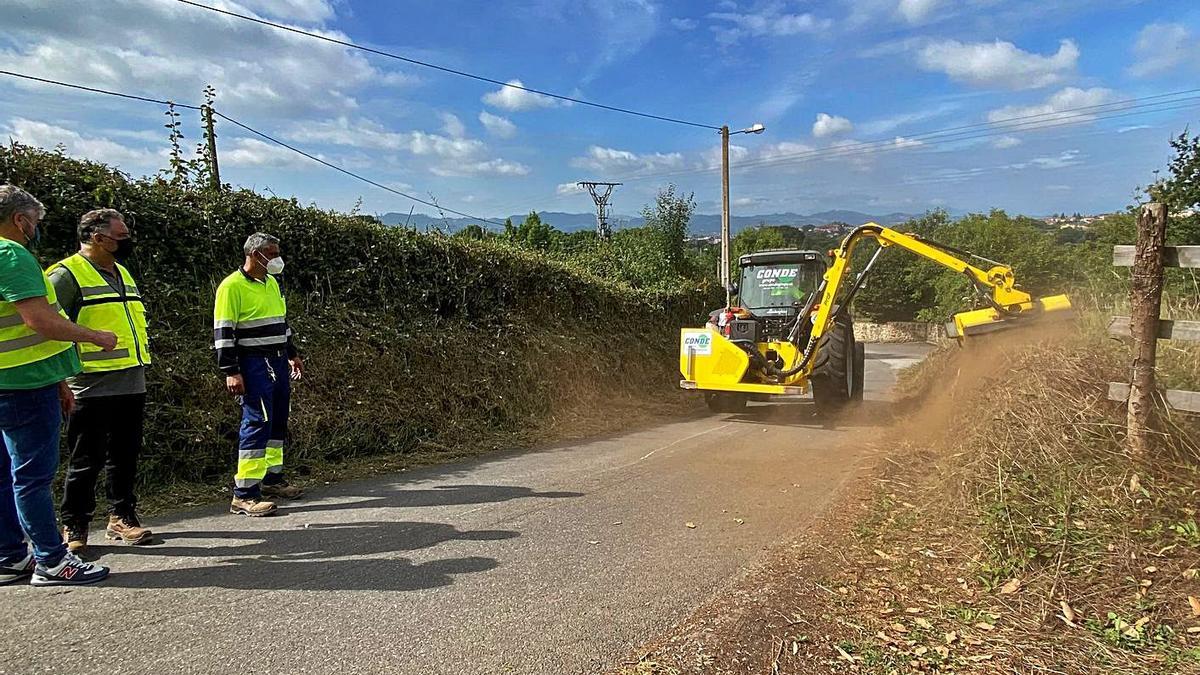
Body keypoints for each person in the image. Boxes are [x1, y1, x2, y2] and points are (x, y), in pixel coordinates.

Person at [0, 186, 117, 587]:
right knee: (31, 477)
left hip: (19, 382)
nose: (35, 229)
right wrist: (92, 336)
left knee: (5, 474)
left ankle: (10, 557)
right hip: (21, 383)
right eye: (35, 222)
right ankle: (52, 560)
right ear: (20, 219)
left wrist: (59, 382)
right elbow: (39, 320)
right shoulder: (11, 254)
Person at [48, 209, 152, 552]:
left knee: (125, 455)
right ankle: (75, 525)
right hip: (89, 383)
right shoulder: (66, 275)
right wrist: (60, 379)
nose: (127, 242)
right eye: (120, 236)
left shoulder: (122, 272)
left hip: (130, 380)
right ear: (96, 237)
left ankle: (122, 517)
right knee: (85, 458)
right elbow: (45, 328)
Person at [214, 232, 304, 517]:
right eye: (272, 252)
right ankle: (245, 494)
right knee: (257, 421)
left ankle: (272, 479)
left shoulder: (272, 283)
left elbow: (281, 322)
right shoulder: (232, 286)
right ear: (255, 254)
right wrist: (231, 370)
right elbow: (224, 331)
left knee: (277, 421)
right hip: (253, 363)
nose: (277, 258)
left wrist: (292, 352)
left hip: (277, 360)